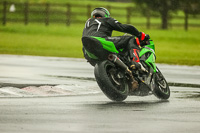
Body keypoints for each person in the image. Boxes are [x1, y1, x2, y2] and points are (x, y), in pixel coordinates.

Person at [81, 7, 149, 71]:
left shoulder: (87, 24)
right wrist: (140, 34)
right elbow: (124, 27)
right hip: (101, 40)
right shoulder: (106, 19)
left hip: (87, 51)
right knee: (131, 38)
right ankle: (135, 61)